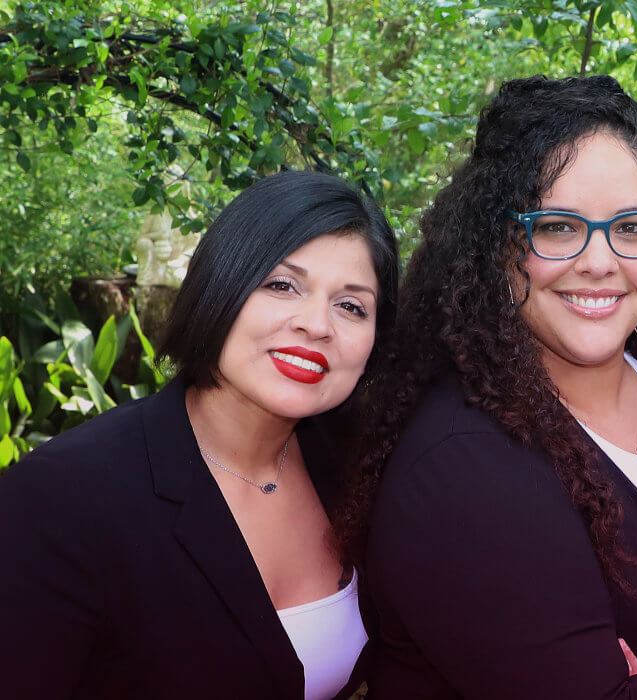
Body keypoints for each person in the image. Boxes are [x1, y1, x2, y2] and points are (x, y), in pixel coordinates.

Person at [343, 76, 637, 698]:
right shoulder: (462, 464)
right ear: (497, 242)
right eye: (557, 226)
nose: (600, 261)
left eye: (631, 227)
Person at [0, 169, 398, 699]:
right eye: (282, 284)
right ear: (220, 286)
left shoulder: (358, 469)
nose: (316, 323)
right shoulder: (62, 497)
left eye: (351, 305)